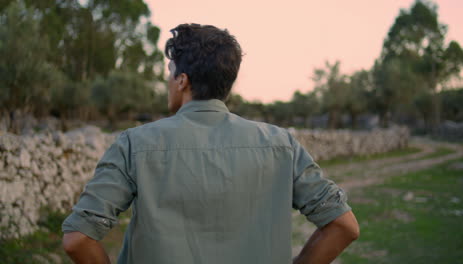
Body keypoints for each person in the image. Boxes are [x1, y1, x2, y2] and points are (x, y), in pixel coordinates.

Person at [62, 23, 359, 264]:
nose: (168, 80)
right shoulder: (281, 145)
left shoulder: (134, 144)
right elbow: (343, 226)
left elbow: (78, 239)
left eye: (169, 71)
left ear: (182, 80)